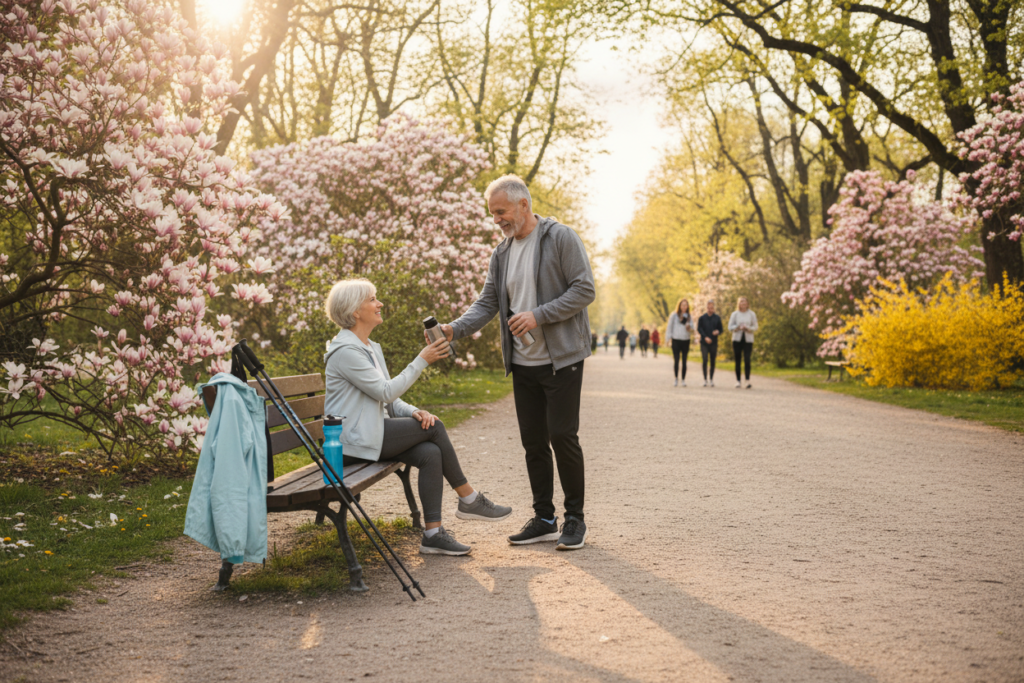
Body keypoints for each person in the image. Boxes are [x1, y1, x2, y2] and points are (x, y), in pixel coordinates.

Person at [433, 174, 595, 551]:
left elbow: (584, 289)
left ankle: (575, 519)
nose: (497, 220)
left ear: (524, 204)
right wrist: (454, 329)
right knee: (534, 443)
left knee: (562, 437)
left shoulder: (560, 238)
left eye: (501, 211)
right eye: (493, 214)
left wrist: (539, 315)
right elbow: (488, 302)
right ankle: (543, 518)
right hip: (523, 363)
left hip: (562, 360)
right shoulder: (502, 252)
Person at [324, 279, 512, 557]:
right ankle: (469, 499)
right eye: (372, 300)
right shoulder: (346, 352)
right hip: (349, 443)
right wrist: (421, 360)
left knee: (429, 452)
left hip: (368, 432)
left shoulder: (369, 347)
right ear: (355, 312)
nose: (380, 304)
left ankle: (433, 534)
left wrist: (413, 411)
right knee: (435, 428)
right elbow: (386, 390)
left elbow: (387, 398)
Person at [728, 296, 759, 389]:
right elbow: (730, 327)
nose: (743, 304)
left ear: (747, 304)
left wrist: (748, 328)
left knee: (747, 359)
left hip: (748, 339)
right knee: (737, 360)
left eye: (745, 302)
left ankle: (747, 380)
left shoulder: (752, 314)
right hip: (737, 339)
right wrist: (737, 327)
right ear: (739, 304)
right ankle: (738, 381)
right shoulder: (735, 314)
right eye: (741, 302)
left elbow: (756, 326)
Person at [666, 298, 695, 387]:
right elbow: (669, 327)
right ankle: (676, 378)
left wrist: (689, 328)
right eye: (682, 305)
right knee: (676, 360)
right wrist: (667, 339)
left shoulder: (689, 316)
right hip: (676, 339)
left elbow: (693, 329)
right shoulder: (674, 315)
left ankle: (683, 379)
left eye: (685, 305)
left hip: (685, 340)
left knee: (684, 361)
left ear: (687, 306)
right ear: (679, 305)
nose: (684, 307)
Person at [697, 300, 723, 387]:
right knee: (705, 359)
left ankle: (711, 379)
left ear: (714, 308)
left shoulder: (717, 318)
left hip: (714, 342)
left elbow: (721, 329)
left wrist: (717, 331)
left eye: (711, 307)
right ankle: (705, 379)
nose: (710, 309)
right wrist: (705, 337)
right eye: (708, 307)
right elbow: (699, 329)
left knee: (712, 360)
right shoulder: (702, 318)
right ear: (706, 307)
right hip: (704, 342)